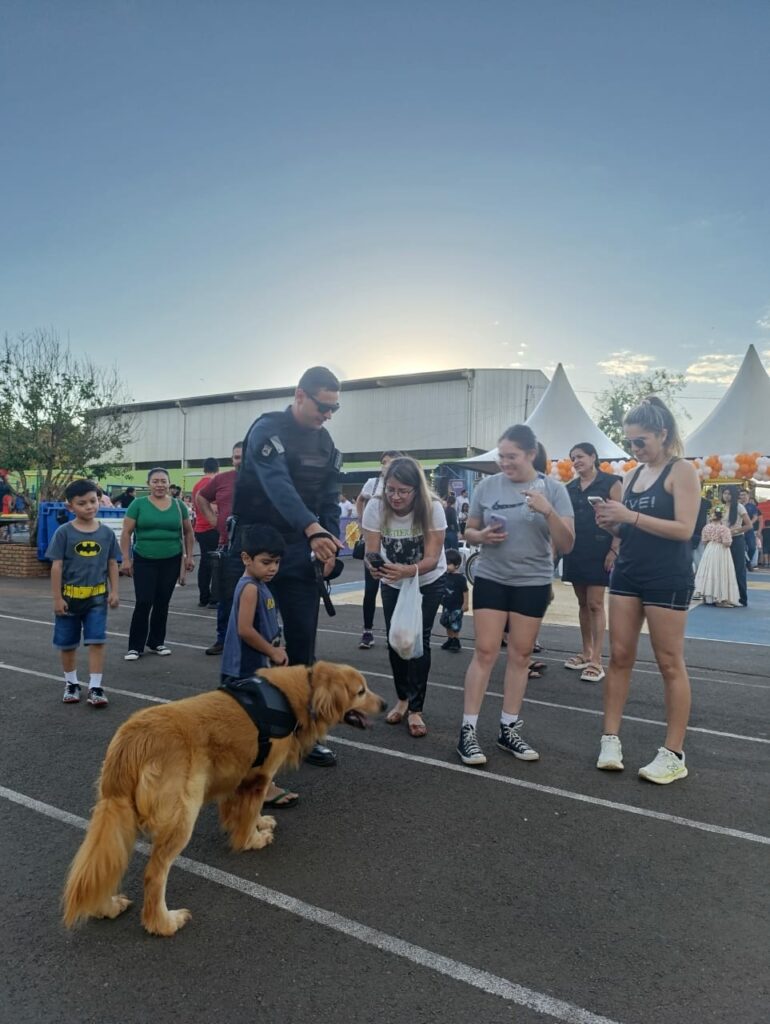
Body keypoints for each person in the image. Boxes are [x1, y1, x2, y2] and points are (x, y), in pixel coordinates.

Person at [230, 366, 343, 767]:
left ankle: (303, 735)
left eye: (334, 408)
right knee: (250, 645)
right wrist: (313, 528)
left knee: (301, 646)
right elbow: (279, 486)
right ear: (300, 394)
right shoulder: (267, 430)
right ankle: (243, 734)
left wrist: (329, 543)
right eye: (322, 406)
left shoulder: (326, 443)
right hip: (257, 546)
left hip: (301, 549)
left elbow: (329, 496)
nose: (327, 415)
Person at [593, 396, 700, 785]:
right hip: (629, 572)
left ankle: (673, 753)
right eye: (630, 442)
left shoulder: (682, 471)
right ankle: (610, 739)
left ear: (663, 434)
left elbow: (685, 530)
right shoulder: (634, 475)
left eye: (641, 441)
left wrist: (629, 515)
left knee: (669, 662)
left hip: (666, 576)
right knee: (619, 656)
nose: (635, 449)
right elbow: (629, 527)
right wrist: (612, 525)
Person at [456, 425, 574, 767]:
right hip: (492, 577)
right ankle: (468, 731)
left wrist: (547, 510)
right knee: (485, 651)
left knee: (520, 655)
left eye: (511, 457)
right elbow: (469, 531)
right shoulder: (488, 486)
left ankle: (508, 728)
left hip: (533, 580)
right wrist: (482, 536)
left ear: (530, 454)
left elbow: (567, 545)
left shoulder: (553, 490)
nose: (504, 463)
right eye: (501, 456)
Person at [363, 455, 447, 738]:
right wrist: (373, 568)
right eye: (390, 489)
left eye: (403, 491)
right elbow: (371, 550)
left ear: (416, 490)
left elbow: (433, 558)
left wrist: (408, 570)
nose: (395, 497)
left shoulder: (433, 507)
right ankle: (402, 698)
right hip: (393, 580)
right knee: (397, 638)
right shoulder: (375, 506)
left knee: (418, 640)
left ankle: (416, 709)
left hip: (427, 579)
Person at [220, 524, 299, 809]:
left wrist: (278, 649)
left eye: (276, 562)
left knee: (258, 732)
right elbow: (244, 630)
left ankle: (251, 783)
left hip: (257, 668)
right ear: (246, 558)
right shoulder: (250, 588)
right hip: (245, 671)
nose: (273, 568)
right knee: (259, 733)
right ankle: (259, 787)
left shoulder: (261, 585)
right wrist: (273, 652)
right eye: (266, 562)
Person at [46, 479, 120, 707]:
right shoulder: (64, 533)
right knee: (67, 644)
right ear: (70, 507)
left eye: (93, 501)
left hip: (97, 599)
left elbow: (112, 563)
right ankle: (71, 683)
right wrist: (57, 598)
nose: (89, 506)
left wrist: (114, 591)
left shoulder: (106, 533)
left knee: (97, 641)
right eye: (82, 503)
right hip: (69, 598)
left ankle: (96, 687)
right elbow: (56, 566)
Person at [561, 442, 622, 683]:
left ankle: (597, 660)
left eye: (580, 456)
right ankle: (585, 652)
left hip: (601, 550)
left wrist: (614, 550)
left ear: (593, 457)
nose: (576, 461)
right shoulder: (570, 488)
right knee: (582, 603)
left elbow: (621, 516)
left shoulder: (611, 483)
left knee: (596, 603)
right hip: (576, 550)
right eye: (573, 457)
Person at [120, 467, 195, 660]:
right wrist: (126, 559)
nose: (160, 485)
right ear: (148, 484)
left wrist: (189, 556)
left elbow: (188, 532)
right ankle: (135, 646)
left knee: (162, 602)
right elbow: (126, 533)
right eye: (155, 481)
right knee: (144, 601)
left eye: (163, 481)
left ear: (169, 483)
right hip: (144, 559)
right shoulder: (138, 504)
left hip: (171, 559)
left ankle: (156, 642)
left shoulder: (179, 506)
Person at [196, 442, 244, 654]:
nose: (239, 461)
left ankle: (260, 640)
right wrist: (215, 521)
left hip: (258, 549)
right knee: (225, 597)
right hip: (228, 546)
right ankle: (222, 639)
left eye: (243, 456)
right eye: (236, 457)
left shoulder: (265, 478)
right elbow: (201, 498)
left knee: (263, 596)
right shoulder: (222, 479)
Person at [355, 450, 401, 649]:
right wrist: (362, 522)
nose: (385, 466)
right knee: (371, 589)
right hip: (375, 543)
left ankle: (397, 632)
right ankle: (367, 631)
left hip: (396, 544)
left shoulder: (403, 484)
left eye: (390, 462)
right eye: (383, 462)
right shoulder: (372, 483)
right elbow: (360, 500)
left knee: (395, 590)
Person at [693, 508, 739, 607]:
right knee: (721, 572)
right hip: (721, 551)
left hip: (709, 549)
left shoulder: (706, 527)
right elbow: (727, 543)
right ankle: (720, 598)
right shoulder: (724, 528)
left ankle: (707, 596)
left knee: (709, 571)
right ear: (721, 517)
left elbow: (704, 541)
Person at [192, 457, 220, 608]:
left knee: (204, 563)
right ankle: (215, 597)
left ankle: (204, 597)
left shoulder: (197, 485)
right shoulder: (215, 483)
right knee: (217, 563)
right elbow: (216, 507)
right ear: (217, 468)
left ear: (204, 469)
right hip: (213, 527)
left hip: (200, 528)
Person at [721, 485, 752, 607]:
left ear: (734, 495)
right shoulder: (720, 507)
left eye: (729, 493)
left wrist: (732, 531)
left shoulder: (739, 507)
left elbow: (748, 525)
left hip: (737, 541)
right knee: (723, 570)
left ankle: (741, 598)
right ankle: (724, 597)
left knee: (738, 570)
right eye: (724, 493)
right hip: (722, 542)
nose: (726, 496)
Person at [439, 548, 468, 651]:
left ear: (456, 565)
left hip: (457, 606)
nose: (445, 566)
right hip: (446, 605)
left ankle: (456, 641)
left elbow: (465, 591)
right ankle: (450, 639)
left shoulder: (461, 578)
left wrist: (465, 604)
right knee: (446, 622)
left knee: (455, 624)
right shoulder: (445, 575)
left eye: (448, 563)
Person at [739, 488, 760, 570]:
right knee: (741, 548)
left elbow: (755, 517)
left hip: (750, 529)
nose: (742, 497)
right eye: (741, 495)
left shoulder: (752, 506)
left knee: (752, 548)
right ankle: (747, 564)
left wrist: (749, 524)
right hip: (739, 529)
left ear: (748, 496)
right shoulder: (737, 505)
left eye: (744, 495)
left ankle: (748, 561)